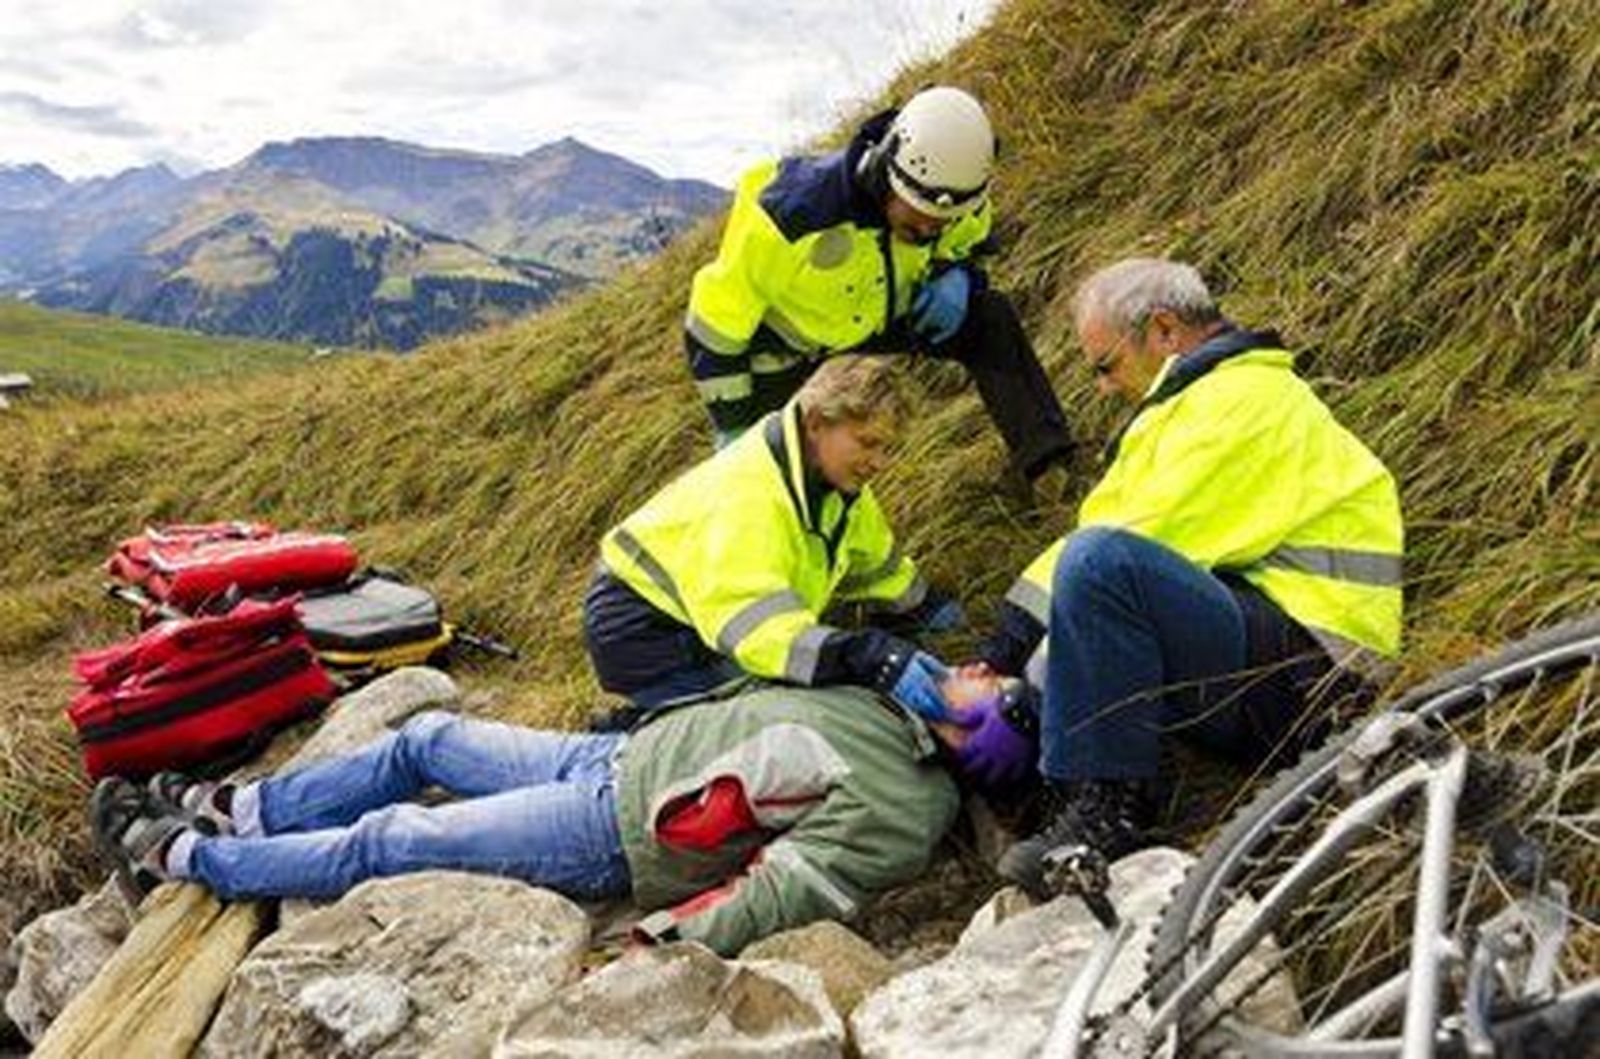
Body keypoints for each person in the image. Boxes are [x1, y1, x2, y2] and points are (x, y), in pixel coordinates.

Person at [971, 258, 1405, 897]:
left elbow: (1126, 548)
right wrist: (1024, 696)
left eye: (1105, 365)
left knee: (1102, 562)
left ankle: (1108, 812)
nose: (1102, 387)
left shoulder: (1241, 401)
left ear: (1165, 330)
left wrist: (1006, 662)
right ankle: (1062, 792)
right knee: (1097, 569)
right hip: (1272, 655)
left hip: (1322, 679)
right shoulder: (1195, 404)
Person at [92, 673, 1032, 957]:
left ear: (981, 731)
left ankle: (186, 861)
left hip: (611, 831)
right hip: (613, 755)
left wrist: (660, 938)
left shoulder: (905, 799)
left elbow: (788, 886)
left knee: (399, 839)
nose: (979, 667)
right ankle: (243, 809)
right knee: (427, 740)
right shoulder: (892, 693)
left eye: (992, 685)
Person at [683, 84, 1072, 492]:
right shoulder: (791, 214)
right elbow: (712, 332)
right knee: (793, 473)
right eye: (916, 221)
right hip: (790, 356)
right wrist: (733, 425)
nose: (927, 232)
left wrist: (957, 274)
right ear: (884, 174)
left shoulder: (961, 194)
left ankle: (1047, 466)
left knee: (989, 316)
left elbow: (968, 243)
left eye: (938, 226)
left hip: (885, 319)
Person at [585, 355, 958, 727]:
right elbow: (759, 630)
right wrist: (864, 656)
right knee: (756, 729)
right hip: (645, 627)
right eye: (867, 443)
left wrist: (919, 605)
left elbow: (873, 559)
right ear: (815, 423)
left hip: (699, 615)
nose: (879, 463)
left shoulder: (835, 481)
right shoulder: (751, 497)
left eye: (887, 449)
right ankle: (631, 733)